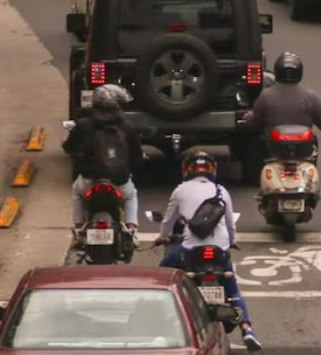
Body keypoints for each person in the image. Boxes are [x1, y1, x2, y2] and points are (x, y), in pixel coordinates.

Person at [153, 152, 262, 351]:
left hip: (190, 250)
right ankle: (247, 331)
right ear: (212, 170)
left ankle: (160, 318)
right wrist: (231, 242)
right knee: (232, 289)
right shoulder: (221, 191)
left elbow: (168, 220)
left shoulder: (180, 190)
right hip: (219, 250)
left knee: (163, 272)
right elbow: (230, 225)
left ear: (187, 170)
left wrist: (162, 237)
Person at [63, 84, 143, 247]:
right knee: (131, 195)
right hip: (119, 181)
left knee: (77, 193)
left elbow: (68, 147)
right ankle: (131, 230)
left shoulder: (84, 124)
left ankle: (78, 229)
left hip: (90, 180)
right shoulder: (126, 125)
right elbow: (137, 154)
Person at [241, 51, 321, 135]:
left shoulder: (266, 95)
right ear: (299, 72)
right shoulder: (311, 96)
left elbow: (256, 121)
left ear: (277, 71)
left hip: (274, 148)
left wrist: (249, 118)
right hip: (303, 149)